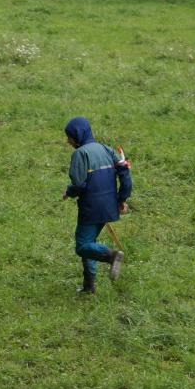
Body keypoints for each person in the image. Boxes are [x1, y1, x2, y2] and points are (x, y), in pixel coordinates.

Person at [62, 116, 132, 294]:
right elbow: (124, 173)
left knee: (82, 246)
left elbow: (79, 184)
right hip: (109, 207)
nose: (68, 141)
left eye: (70, 136)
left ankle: (111, 255)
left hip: (91, 208)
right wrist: (122, 199)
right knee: (89, 242)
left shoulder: (80, 154)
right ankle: (89, 286)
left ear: (78, 134)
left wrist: (69, 192)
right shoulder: (107, 149)